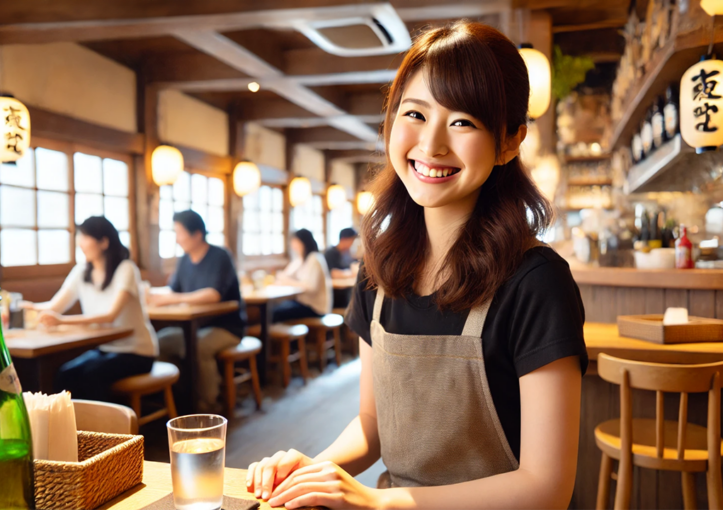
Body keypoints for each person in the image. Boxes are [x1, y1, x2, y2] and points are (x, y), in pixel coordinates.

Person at [246, 21, 587, 510]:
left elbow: (545, 488)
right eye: (415, 113)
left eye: (463, 121)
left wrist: (382, 503)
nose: (431, 145)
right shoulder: (378, 270)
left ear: (510, 142)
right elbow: (372, 425)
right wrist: (314, 470)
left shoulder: (537, 282)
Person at [21, 216, 158, 402]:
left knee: (92, 376)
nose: (80, 243)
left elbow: (110, 316)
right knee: (65, 374)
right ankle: (73, 429)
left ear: (103, 242)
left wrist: (62, 321)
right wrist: (30, 308)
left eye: (85, 237)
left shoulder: (126, 269)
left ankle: (105, 428)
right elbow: (55, 307)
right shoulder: (81, 271)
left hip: (137, 352)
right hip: (106, 348)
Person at [147, 209, 246, 410]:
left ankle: (207, 404)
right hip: (193, 327)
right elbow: (173, 290)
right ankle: (179, 400)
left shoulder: (220, 256)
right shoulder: (184, 260)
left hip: (227, 327)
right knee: (158, 343)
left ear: (197, 234)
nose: (177, 239)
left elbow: (213, 294)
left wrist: (172, 299)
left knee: (200, 347)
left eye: (180, 233)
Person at [271, 229, 333, 323]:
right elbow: (285, 275)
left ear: (303, 242)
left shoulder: (314, 258)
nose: (293, 246)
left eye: (295, 242)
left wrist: (288, 281)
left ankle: (286, 337)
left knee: (276, 312)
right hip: (304, 304)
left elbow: (311, 287)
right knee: (274, 309)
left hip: (315, 307)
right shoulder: (302, 259)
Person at [323, 227, 360, 308]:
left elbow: (354, 267)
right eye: (351, 240)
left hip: (345, 289)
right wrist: (351, 273)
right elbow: (333, 273)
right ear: (344, 239)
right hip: (334, 295)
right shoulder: (331, 253)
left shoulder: (347, 254)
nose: (352, 243)